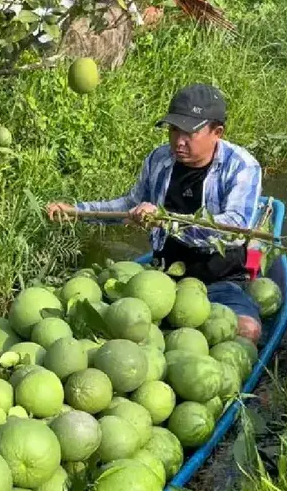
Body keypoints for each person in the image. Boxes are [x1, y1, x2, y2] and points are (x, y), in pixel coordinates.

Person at [47, 83, 263, 342]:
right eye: (173, 130)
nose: (178, 142)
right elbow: (130, 204)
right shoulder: (159, 159)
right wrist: (78, 212)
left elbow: (235, 230)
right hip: (163, 278)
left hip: (220, 279)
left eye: (188, 134)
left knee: (248, 331)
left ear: (216, 132)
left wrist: (166, 221)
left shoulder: (242, 166)